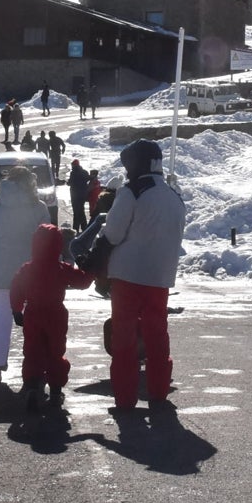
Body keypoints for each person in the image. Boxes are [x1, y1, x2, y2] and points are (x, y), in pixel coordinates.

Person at [74, 140, 185, 411]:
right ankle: (158, 391)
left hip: (128, 276)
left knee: (124, 339)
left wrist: (94, 258)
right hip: (160, 277)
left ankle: (125, 397)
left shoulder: (132, 192)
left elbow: (112, 233)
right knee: (157, 336)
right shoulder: (173, 195)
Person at [0, 165, 50, 386]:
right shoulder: (38, 207)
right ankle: (37, 366)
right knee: (34, 319)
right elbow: (47, 238)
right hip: (30, 271)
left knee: (0, 318)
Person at [9, 224, 93, 411]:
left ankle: (32, 385)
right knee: (55, 352)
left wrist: (16, 310)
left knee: (32, 351)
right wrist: (90, 269)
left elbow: (16, 289)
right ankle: (55, 390)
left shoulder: (27, 269)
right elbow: (83, 282)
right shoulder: (61, 268)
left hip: (32, 312)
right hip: (56, 314)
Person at [67, 159, 91, 231]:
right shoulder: (84, 172)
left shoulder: (73, 173)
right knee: (81, 210)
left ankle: (76, 228)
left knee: (76, 211)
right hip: (83, 195)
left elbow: (70, 182)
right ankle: (84, 227)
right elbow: (88, 178)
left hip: (75, 195)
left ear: (74, 165)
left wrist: (67, 182)